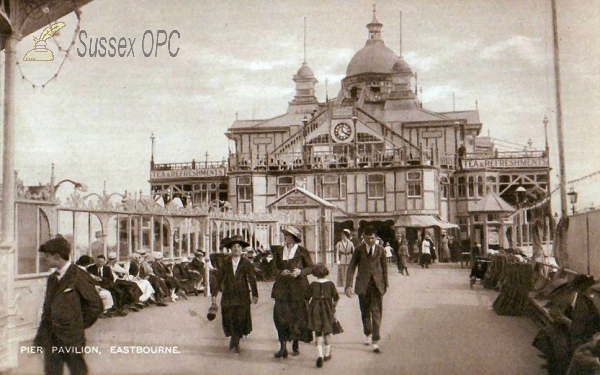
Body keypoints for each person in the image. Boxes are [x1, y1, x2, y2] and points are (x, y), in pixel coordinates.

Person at [34, 236, 103, 375]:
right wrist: (40, 337)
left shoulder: (79, 276)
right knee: (52, 372)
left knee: (78, 370)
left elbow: (95, 306)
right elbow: (47, 310)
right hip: (51, 339)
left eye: (47, 256)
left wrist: (76, 324)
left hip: (72, 339)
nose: (44, 259)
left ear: (57, 257)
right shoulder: (52, 278)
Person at [211, 235, 259, 354]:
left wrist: (255, 294)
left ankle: (236, 340)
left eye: (238, 247)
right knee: (229, 317)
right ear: (230, 249)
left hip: (242, 295)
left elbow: (251, 278)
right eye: (234, 247)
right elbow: (219, 278)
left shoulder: (246, 263)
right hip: (228, 294)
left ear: (241, 249)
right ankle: (234, 337)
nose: (236, 249)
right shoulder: (226, 263)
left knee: (240, 318)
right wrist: (214, 294)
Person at [271, 225, 314, 359]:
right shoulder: (279, 251)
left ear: (294, 238)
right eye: (285, 235)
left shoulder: (302, 251)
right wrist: (280, 272)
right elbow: (272, 269)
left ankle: (295, 343)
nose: (285, 237)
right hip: (282, 290)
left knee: (297, 318)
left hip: (298, 289)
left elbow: (311, 267)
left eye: (288, 235)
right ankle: (282, 347)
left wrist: (300, 272)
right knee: (280, 317)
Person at [345, 226, 388, 354]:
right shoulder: (359, 250)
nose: (370, 240)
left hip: (377, 285)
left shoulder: (380, 250)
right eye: (368, 238)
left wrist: (385, 285)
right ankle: (368, 333)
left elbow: (384, 268)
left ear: (376, 238)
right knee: (365, 311)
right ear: (363, 237)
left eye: (373, 238)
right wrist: (348, 285)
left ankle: (375, 341)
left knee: (376, 312)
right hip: (363, 285)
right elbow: (351, 267)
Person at [306, 263, 339, 368]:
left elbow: (306, 298)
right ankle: (327, 353)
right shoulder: (330, 284)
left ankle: (319, 355)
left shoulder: (312, 284)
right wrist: (333, 307)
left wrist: (308, 308)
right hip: (328, 309)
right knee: (327, 332)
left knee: (318, 333)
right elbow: (336, 298)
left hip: (315, 309)